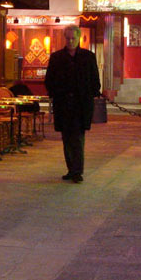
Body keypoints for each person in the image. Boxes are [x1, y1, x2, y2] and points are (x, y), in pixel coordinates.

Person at [44, 25, 101, 183]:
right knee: (66, 138)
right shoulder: (56, 57)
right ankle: (71, 169)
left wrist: (92, 94)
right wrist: (55, 93)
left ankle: (77, 171)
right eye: (67, 38)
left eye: (73, 38)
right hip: (63, 104)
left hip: (80, 105)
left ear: (78, 38)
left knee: (77, 138)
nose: (70, 41)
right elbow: (49, 79)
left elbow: (95, 79)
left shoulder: (88, 57)